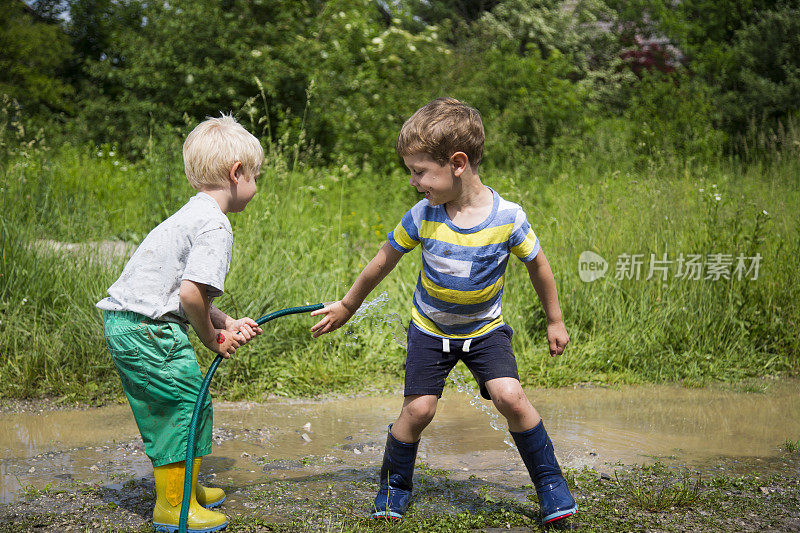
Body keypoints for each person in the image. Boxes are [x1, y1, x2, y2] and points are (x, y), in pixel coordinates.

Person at [310, 97, 577, 525]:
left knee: (511, 397)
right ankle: (394, 485)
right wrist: (348, 304)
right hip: (430, 331)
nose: (415, 182)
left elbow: (538, 265)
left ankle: (550, 483)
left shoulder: (508, 218)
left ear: (457, 162)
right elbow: (383, 259)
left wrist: (554, 319)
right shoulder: (424, 215)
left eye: (420, 172)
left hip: (486, 329)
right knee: (419, 411)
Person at [97, 114, 264, 533]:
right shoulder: (215, 224)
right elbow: (190, 295)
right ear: (236, 173)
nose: (256, 185)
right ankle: (173, 507)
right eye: (256, 176)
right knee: (182, 407)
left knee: (190, 401)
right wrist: (213, 339)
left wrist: (226, 320)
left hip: (136, 324)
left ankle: (185, 488)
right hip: (148, 330)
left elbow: (186, 293)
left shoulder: (193, 212)